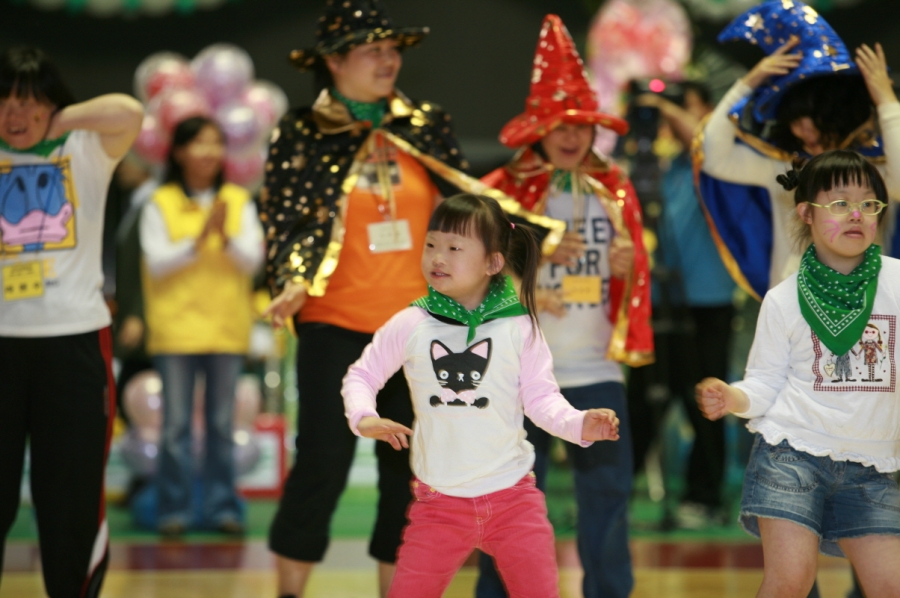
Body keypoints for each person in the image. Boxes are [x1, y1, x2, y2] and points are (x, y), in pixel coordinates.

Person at [260, 2, 563, 596]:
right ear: (334, 61)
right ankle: (288, 592)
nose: (388, 60)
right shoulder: (300, 131)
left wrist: (532, 249)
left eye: (392, 50)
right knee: (322, 463)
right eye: (372, 50)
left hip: (425, 328)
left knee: (409, 473)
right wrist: (292, 277)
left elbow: (472, 207)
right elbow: (287, 218)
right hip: (334, 322)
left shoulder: (423, 123)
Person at [342, 193, 621, 598]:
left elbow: (541, 400)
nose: (438, 257)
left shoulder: (519, 327)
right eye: (431, 245)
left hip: (514, 502)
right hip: (437, 506)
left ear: (493, 263)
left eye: (454, 248)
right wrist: (363, 415)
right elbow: (362, 374)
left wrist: (579, 424)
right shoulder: (411, 323)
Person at [477, 14, 653, 598]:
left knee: (608, 497)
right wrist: (530, 281)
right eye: (560, 125)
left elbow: (634, 281)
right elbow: (469, 276)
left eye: (581, 125)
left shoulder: (616, 188)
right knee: (507, 500)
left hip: (597, 369)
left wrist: (627, 269)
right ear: (540, 129)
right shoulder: (503, 191)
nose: (572, 137)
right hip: (518, 373)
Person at [697, 149, 900, 598]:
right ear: (806, 213)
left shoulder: (897, 283)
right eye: (840, 203)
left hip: (871, 465)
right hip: (792, 456)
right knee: (790, 582)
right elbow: (765, 382)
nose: (856, 214)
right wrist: (732, 396)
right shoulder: (783, 298)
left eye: (869, 204)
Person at [0, 46, 143, 596]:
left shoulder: (84, 147)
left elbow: (129, 111)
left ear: (53, 105)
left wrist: (57, 121)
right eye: (5, 102)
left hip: (74, 341)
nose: (16, 115)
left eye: (28, 102)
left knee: (71, 496)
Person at [696, 0, 900, 299]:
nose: (805, 132)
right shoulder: (781, 167)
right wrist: (749, 82)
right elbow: (714, 158)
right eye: (795, 122)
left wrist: (886, 101)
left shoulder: (873, 169)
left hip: (867, 308)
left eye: (815, 121)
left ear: (840, 115)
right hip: (791, 307)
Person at [140, 115, 264, 536]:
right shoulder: (159, 201)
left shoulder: (238, 200)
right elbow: (156, 264)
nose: (208, 152)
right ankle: (173, 511)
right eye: (198, 143)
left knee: (221, 426)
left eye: (215, 143)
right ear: (178, 152)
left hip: (226, 328)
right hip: (175, 330)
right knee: (175, 427)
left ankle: (222, 509)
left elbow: (253, 261)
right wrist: (199, 240)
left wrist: (223, 237)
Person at [628, 81, 736, 527]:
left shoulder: (719, 159)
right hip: (655, 301)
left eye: (680, 106)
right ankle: (615, 494)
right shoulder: (657, 165)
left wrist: (662, 106)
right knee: (640, 403)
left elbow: (705, 141)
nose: (667, 114)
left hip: (707, 301)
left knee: (704, 401)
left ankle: (703, 498)